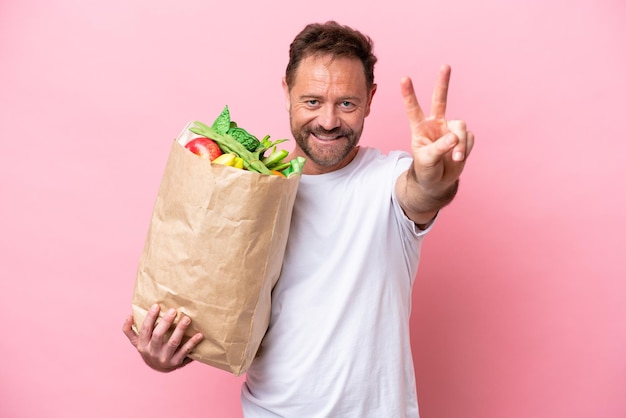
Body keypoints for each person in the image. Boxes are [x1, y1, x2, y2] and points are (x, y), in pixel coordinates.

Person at [123, 20, 474, 417]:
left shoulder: (388, 178)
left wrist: (434, 177)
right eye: (312, 101)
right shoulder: (248, 193)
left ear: (370, 99)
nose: (327, 121)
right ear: (286, 91)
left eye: (346, 103)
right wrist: (164, 354)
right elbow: (220, 316)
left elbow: (422, 194)